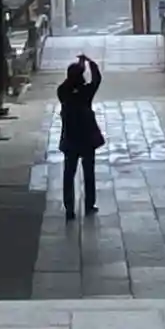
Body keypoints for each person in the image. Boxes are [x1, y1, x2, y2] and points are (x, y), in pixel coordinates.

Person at [56, 54, 104, 220]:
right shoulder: (86, 92)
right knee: (88, 172)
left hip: (70, 138)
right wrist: (90, 63)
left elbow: (68, 83)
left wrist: (79, 66)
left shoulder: (63, 92)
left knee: (69, 174)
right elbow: (97, 79)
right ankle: (89, 204)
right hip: (87, 138)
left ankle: (69, 207)